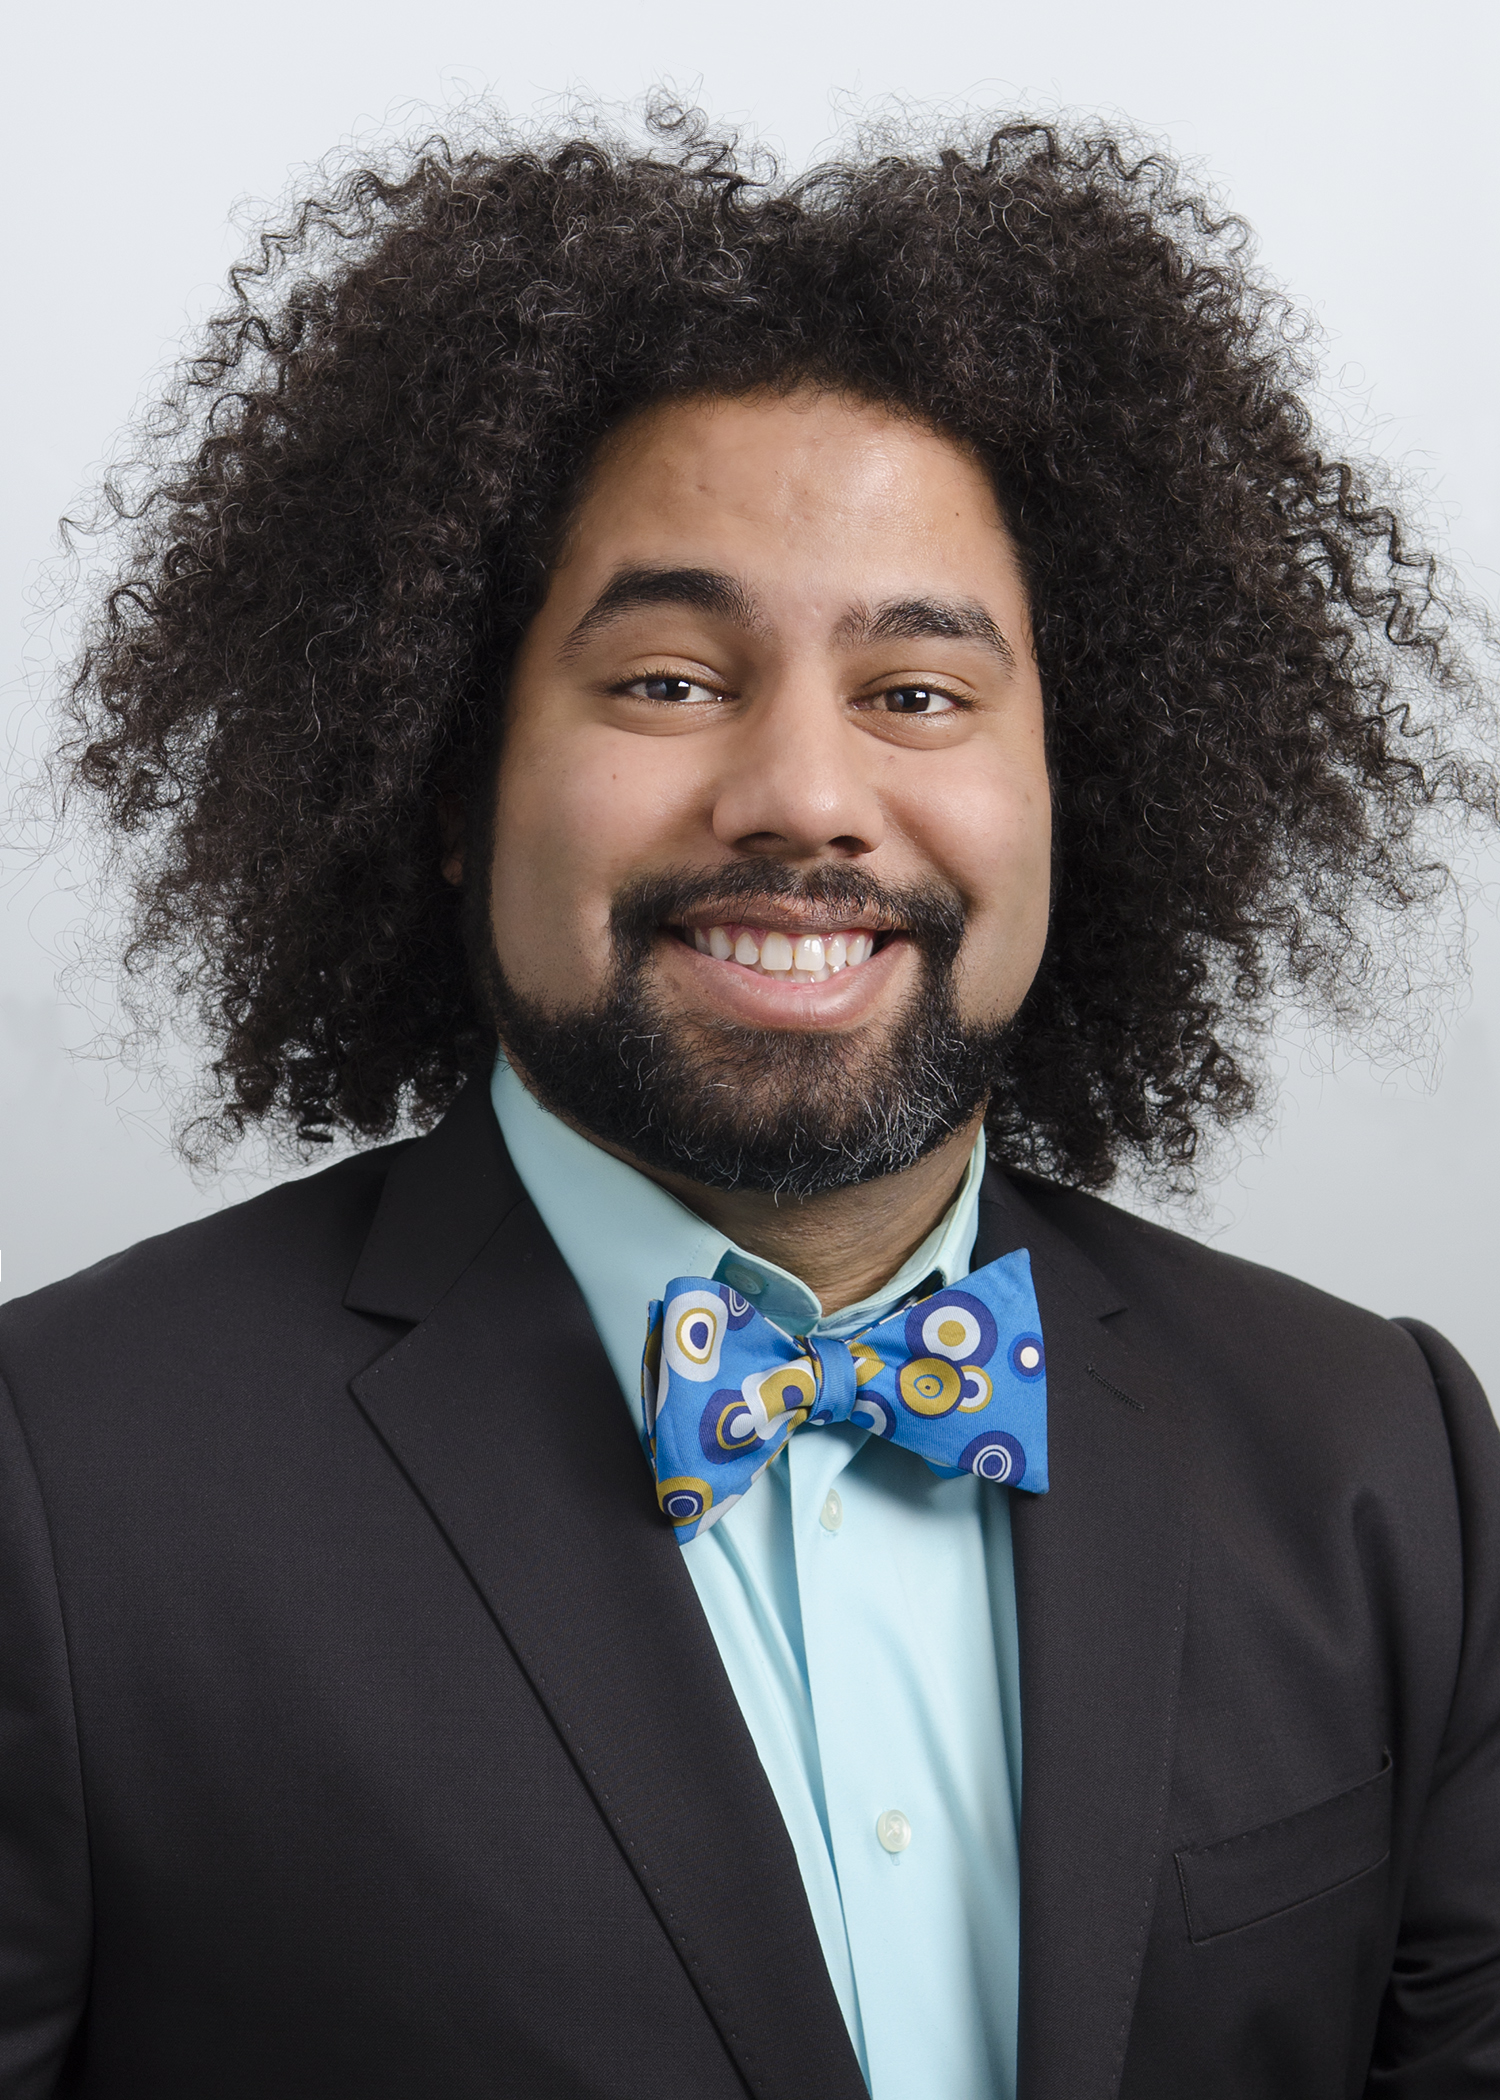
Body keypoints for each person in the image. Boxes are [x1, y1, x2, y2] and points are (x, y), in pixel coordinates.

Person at [2, 113, 1497, 2100]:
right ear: (452, 781)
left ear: (1082, 787)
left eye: (919, 693)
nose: (803, 794)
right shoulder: (61, 1492)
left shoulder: (1384, 1463)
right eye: (670, 682)